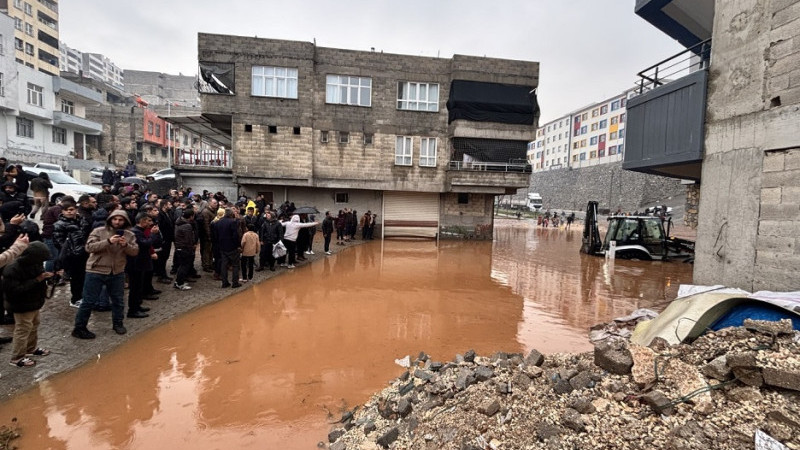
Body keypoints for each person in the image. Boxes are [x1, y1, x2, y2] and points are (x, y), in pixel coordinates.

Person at [72, 210, 139, 339]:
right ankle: (79, 328)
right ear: (110, 220)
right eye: (115, 219)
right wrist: (108, 241)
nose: (117, 222)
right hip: (96, 271)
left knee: (118, 301)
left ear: (125, 221)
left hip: (117, 272)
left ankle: (118, 323)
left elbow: (135, 251)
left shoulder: (130, 235)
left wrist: (126, 245)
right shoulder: (98, 231)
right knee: (88, 301)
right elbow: (89, 247)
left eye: (120, 220)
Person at [4, 241, 52, 367]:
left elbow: (39, 278)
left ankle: (31, 349)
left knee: (34, 325)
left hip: (34, 302)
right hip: (21, 304)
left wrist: (49, 277)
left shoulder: (35, 264)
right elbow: (14, 291)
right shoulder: (12, 269)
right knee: (22, 329)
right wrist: (37, 280)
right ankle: (17, 357)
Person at [126, 212, 161, 318]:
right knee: (135, 287)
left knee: (138, 287)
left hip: (141, 263)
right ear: (142, 221)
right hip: (135, 264)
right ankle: (133, 310)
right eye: (148, 221)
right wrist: (153, 234)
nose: (150, 223)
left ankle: (137, 306)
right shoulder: (135, 232)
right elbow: (145, 243)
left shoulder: (139, 231)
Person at [216, 208, 242, 288]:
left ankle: (224, 282)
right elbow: (235, 235)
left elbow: (216, 235)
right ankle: (235, 283)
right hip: (232, 247)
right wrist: (238, 245)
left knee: (224, 265)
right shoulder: (233, 222)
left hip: (222, 246)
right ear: (231, 214)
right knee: (235, 265)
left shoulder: (218, 222)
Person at [172, 208, 197, 291]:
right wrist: (192, 246)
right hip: (184, 248)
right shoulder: (187, 226)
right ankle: (179, 283)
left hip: (179, 247)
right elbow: (188, 239)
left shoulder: (178, 222)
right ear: (191, 216)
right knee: (184, 266)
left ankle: (178, 281)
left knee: (182, 266)